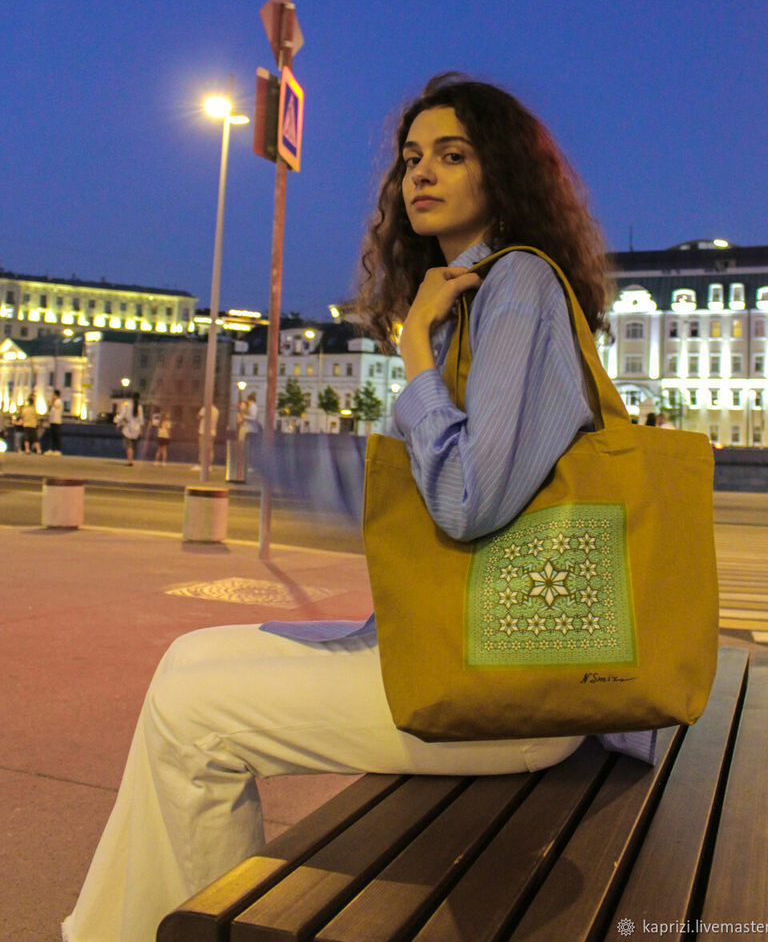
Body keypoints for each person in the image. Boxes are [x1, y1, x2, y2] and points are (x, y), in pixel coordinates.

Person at [62, 74, 633, 942]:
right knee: (186, 660)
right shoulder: (475, 294)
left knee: (194, 716)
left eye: (452, 155)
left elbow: (467, 501)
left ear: (505, 171)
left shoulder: (517, 286)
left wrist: (414, 357)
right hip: (467, 646)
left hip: (511, 682)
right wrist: (308, 460)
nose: (420, 174)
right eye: (412, 158)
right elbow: (439, 481)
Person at [114, 392, 143, 465]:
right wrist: (140, 429)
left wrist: (117, 423)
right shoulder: (139, 407)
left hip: (128, 428)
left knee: (129, 446)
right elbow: (141, 419)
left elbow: (122, 416)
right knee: (132, 446)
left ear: (131, 398)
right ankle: (131, 460)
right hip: (136, 429)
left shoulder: (127, 406)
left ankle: (130, 461)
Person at [48, 389, 63, 454]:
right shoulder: (55, 402)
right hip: (52, 421)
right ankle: (53, 449)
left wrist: (51, 400)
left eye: (53, 395)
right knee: (53, 436)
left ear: (56, 395)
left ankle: (57, 450)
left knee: (56, 436)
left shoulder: (59, 401)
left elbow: (52, 404)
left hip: (57, 421)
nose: (52, 396)